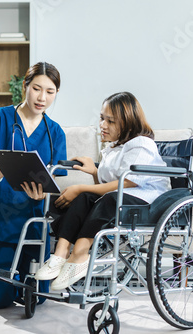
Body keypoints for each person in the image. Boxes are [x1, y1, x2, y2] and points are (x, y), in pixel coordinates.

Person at [34, 91, 171, 290]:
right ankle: (60, 254)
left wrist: (82, 186)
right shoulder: (113, 148)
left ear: (128, 123)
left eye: (111, 121)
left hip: (148, 199)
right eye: (102, 118)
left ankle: (79, 254)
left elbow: (130, 181)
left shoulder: (141, 143)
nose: (103, 125)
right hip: (121, 197)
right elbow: (109, 183)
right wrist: (95, 171)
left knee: (100, 197)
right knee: (83, 197)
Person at [0, 62, 67, 308]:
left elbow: (53, 184)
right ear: (25, 86)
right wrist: (0, 171)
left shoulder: (55, 133)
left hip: (34, 222)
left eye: (50, 91)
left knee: (39, 297)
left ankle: (2, 271)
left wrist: (41, 196)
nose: (42, 97)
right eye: (36, 88)